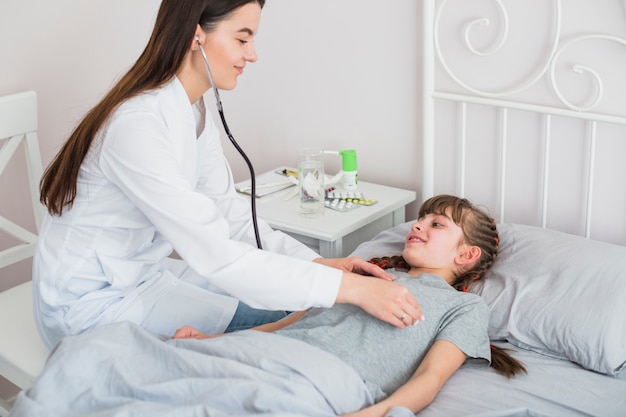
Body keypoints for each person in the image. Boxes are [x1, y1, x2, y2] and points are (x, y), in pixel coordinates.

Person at [33, 0, 422, 350]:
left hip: (139, 278)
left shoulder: (193, 110)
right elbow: (215, 252)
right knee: (296, 323)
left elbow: (231, 217)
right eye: (242, 39)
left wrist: (317, 266)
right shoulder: (136, 126)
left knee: (304, 306)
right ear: (195, 36)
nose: (252, 55)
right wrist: (350, 289)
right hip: (89, 305)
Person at [173, 195, 527, 416]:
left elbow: (430, 378)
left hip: (324, 377)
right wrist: (214, 341)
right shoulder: (371, 276)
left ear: (466, 255)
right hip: (267, 352)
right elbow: (287, 324)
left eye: (436, 224)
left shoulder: (463, 307)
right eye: (420, 219)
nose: (417, 225)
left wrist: (375, 414)